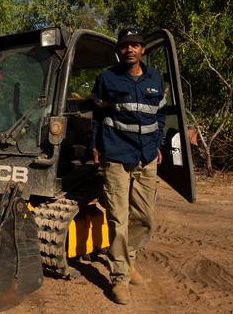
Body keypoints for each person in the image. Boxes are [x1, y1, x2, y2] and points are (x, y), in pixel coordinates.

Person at [89, 28, 166, 305]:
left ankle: (128, 259)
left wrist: (157, 142)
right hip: (116, 155)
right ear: (119, 51)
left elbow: (160, 116)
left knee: (144, 218)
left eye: (134, 45)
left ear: (142, 50)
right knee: (119, 219)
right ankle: (119, 277)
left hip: (146, 157)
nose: (129, 50)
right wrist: (95, 146)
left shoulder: (155, 78)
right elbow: (97, 116)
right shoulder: (107, 78)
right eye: (125, 46)